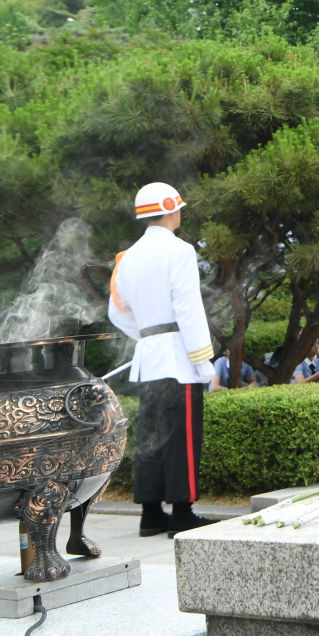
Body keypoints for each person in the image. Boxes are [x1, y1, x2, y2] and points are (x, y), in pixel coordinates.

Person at [107, 182, 218, 538]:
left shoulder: (127, 257)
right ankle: (182, 513)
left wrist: (147, 337)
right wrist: (204, 362)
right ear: (170, 208)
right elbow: (188, 308)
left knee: (152, 436)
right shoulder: (180, 251)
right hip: (177, 356)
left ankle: (151, 514)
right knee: (181, 437)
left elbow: (117, 312)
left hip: (149, 358)